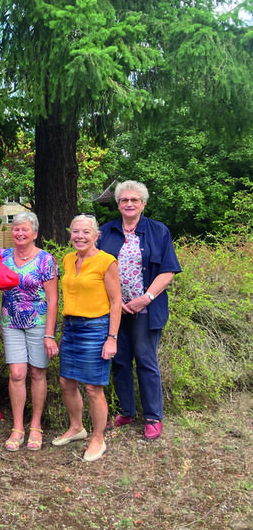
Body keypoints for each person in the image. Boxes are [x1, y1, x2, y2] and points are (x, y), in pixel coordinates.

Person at [98, 181, 182, 440]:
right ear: (118, 204)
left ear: (143, 204)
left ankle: (153, 417)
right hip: (116, 310)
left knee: (146, 361)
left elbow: (168, 270)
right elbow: (97, 270)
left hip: (147, 308)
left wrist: (146, 298)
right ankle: (126, 411)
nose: (129, 204)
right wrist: (117, 303)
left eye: (135, 200)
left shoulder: (158, 231)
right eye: (124, 200)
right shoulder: (106, 232)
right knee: (120, 362)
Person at [52, 214, 121, 461]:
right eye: (75, 232)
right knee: (66, 382)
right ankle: (76, 428)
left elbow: (115, 302)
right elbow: (69, 298)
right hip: (71, 327)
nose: (80, 236)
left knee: (93, 387)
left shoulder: (106, 262)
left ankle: (98, 438)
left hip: (96, 328)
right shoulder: (68, 259)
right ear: (70, 234)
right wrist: (61, 333)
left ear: (96, 236)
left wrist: (111, 338)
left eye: (85, 232)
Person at [0, 212, 59, 452]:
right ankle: (18, 427)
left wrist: (49, 334)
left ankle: (36, 426)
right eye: (16, 229)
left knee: (37, 374)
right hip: (11, 322)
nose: (19, 233)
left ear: (35, 233)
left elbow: (53, 299)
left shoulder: (45, 260)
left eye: (24, 230)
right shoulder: (2, 257)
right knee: (17, 374)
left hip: (39, 322)